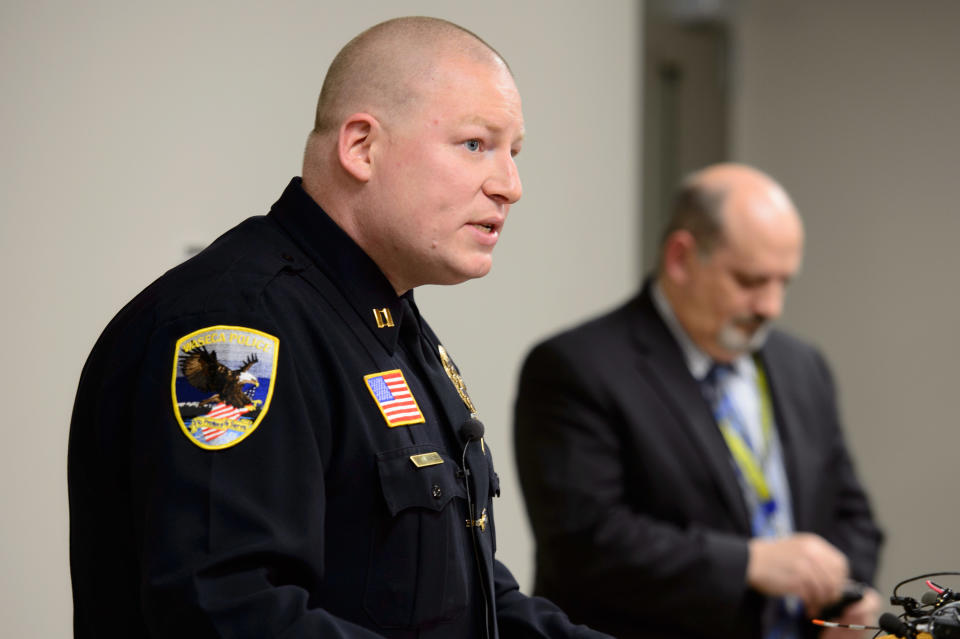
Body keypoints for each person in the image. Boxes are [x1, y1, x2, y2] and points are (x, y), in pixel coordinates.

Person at [68, 16, 610, 639]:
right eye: (475, 145)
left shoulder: (387, 324)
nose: (509, 186)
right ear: (361, 148)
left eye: (513, 153)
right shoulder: (233, 329)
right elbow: (226, 612)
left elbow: (470, 602)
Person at [513, 163, 884, 639]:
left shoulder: (801, 363)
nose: (771, 306)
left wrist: (849, 594)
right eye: (751, 281)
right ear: (681, 258)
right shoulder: (576, 367)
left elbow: (852, 514)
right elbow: (586, 544)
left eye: (783, 282)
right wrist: (748, 563)